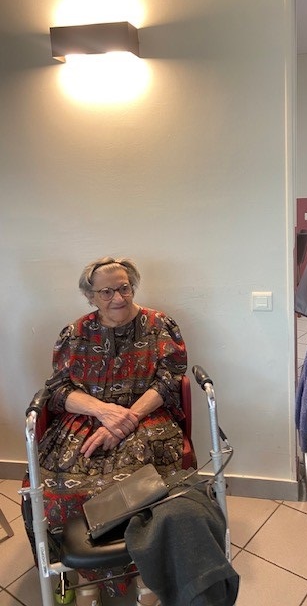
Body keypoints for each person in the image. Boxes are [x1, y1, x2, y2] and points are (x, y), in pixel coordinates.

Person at [24, 257, 189, 606]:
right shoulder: (75, 333)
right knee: (53, 486)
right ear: (91, 296)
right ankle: (83, 574)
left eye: (124, 288)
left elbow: (170, 379)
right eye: (106, 292)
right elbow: (59, 389)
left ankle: (145, 572)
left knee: (140, 484)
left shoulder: (160, 325)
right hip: (86, 418)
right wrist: (102, 411)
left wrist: (126, 419)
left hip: (146, 416)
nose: (118, 297)